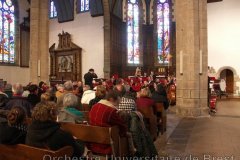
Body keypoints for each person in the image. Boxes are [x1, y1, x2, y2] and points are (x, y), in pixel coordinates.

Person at [88, 91, 127, 155]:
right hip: (106, 144)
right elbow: (122, 127)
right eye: (116, 103)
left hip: (93, 141)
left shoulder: (94, 106)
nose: (116, 106)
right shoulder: (111, 111)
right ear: (111, 99)